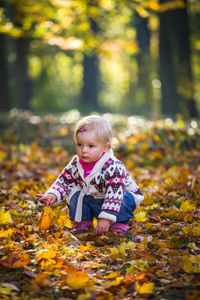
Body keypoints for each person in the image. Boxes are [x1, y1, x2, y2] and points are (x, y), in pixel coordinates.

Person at [36, 115, 144, 235]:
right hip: (97, 198)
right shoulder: (76, 163)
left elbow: (115, 194)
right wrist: (53, 194)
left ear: (105, 147)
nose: (84, 150)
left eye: (91, 146)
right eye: (80, 144)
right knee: (76, 191)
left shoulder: (113, 167)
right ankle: (83, 222)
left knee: (122, 196)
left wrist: (106, 218)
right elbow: (65, 181)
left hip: (120, 202)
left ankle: (120, 223)